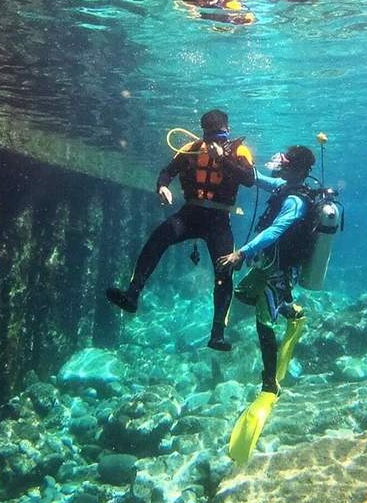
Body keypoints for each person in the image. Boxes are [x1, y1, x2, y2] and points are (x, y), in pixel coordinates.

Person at [105, 109, 255, 350]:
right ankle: (132, 294)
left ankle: (217, 334)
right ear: (203, 133)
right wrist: (162, 186)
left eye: (219, 137)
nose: (214, 143)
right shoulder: (191, 149)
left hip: (218, 219)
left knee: (224, 270)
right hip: (191, 213)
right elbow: (167, 171)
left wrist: (223, 160)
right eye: (210, 137)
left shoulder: (239, 151)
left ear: (227, 131)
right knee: (158, 238)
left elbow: (248, 179)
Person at [217, 144, 318, 394]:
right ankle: (288, 308)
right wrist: (229, 159)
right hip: (269, 261)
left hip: (282, 269)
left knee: (264, 322)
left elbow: (275, 231)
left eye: (287, 163)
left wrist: (241, 252)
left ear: (298, 170)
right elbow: (256, 178)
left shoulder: (295, 201)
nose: (281, 165)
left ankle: (270, 382)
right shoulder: (284, 186)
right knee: (243, 293)